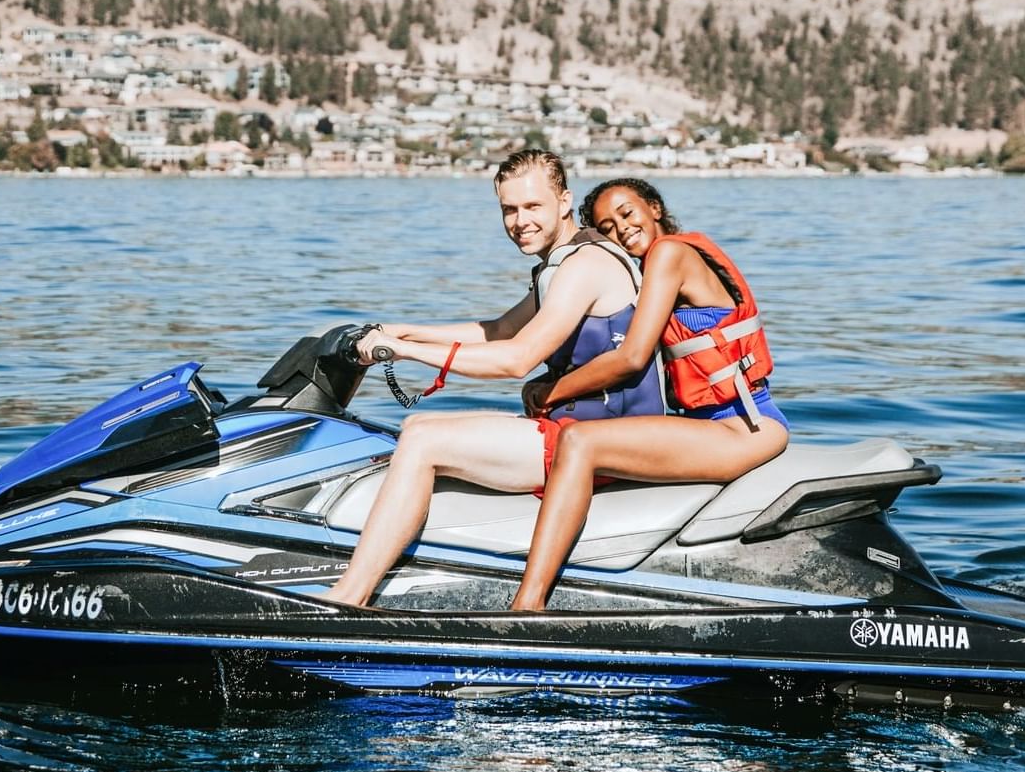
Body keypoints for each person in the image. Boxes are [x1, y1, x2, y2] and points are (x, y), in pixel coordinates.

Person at [325, 150, 667, 607]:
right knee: (417, 428)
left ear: (564, 201)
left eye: (532, 207)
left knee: (424, 441)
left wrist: (407, 352)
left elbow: (516, 357)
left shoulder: (585, 265)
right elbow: (501, 329)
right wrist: (402, 331)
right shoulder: (561, 262)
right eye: (509, 209)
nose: (519, 220)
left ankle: (350, 597)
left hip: (600, 442)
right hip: (572, 431)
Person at [509, 177, 789, 611]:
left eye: (627, 213)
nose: (621, 228)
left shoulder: (671, 254)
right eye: (607, 226)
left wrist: (549, 391)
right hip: (708, 425)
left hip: (743, 425)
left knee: (580, 441)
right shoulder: (649, 268)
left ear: (654, 208)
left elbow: (632, 357)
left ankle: (528, 604)